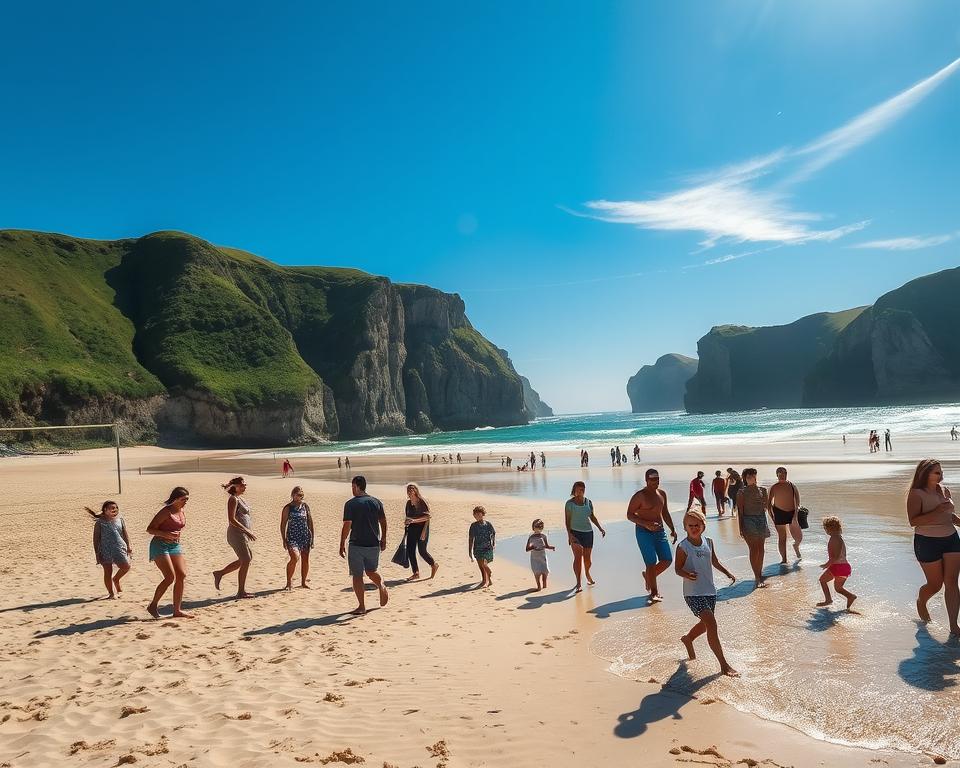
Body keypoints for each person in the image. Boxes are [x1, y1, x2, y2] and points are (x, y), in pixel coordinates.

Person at [675, 509, 738, 677]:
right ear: (685, 527)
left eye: (697, 525)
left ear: (703, 526)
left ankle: (688, 639)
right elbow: (677, 569)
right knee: (711, 623)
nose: (694, 528)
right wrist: (687, 574)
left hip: (709, 590)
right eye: (690, 526)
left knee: (706, 624)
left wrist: (727, 572)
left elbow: (714, 561)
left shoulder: (708, 542)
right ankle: (724, 665)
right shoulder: (683, 546)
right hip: (693, 593)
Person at [907, 459, 960, 635]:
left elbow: (949, 515)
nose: (941, 474)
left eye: (941, 471)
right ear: (925, 474)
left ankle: (954, 626)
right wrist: (936, 512)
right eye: (936, 472)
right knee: (935, 585)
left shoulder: (944, 490)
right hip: (927, 541)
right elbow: (913, 521)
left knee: (952, 582)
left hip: (951, 539)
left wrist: (958, 521)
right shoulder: (916, 493)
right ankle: (922, 601)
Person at [340, 475, 388, 615]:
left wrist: (342, 542)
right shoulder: (376, 502)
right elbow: (383, 521)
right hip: (374, 543)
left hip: (356, 544)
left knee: (357, 575)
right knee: (371, 571)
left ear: (356, 486)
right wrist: (383, 538)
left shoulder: (350, 504)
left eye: (352, 486)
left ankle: (361, 606)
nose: (352, 489)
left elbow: (347, 525)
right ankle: (381, 584)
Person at [627, 469, 677, 602]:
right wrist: (646, 523)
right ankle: (654, 592)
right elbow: (629, 515)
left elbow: (664, 512)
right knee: (650, 562)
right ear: (647, 480)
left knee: (667, 560)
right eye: (653, 479)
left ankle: (648, 576)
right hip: (643, 532)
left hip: (659, 531)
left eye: (657, 479)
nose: (656, 481)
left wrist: (672, 527)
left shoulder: (662, 494)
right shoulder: (640, 496)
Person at [146, 487, 192, 619]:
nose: (185, 502)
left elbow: (177, 527)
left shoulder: (182, 510)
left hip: (174, 545)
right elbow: (150, 529)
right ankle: (153, 605)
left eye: (187, 499)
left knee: (181, 575)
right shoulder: (166, 512)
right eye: (183, 499)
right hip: (159, 545)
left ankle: (177, 610)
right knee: (169, 577)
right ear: (175, 499)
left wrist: (174, 536)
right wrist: (166, 534)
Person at [213, 477, 257, 599]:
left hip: (242, 534)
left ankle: (220, 573)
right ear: (235, 486)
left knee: (246, 559)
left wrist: (247, 531)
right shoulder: (232, 499)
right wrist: (247, 531)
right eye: (242, 485)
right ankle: (241, 592)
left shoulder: (240, 498)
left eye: (245, 484)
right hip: (236, 534)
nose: (245, 487)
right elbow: (231, 519)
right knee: (246, 560)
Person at [565, 481, 607, 592]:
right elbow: (567, 521)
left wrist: (600, 528)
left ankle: (587, 573)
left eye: (583, 489)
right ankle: (578, 582)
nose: (581, 491)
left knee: (588, 560)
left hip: (588, 533)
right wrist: (569, 535)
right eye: (579, 489)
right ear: (574, 490)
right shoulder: (569, 504)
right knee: (578, 557)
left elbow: (592, 517)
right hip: (575, 533)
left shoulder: (588, 502)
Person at [87, 501, 132, 599]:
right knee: (108, 571)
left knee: (126, 566)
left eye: (116, 508)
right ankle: (111, 593)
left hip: (119, 548)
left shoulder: (120, 519)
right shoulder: (99, 523)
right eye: (111, 508)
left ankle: (116, 579)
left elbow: (125, 534)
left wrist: (128, 546)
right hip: (104, 549)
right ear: (105, 510)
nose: (114, 510)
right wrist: (97, 553)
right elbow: (96, 539)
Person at [737, 468, 771, 588]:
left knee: (761, 549)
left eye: (753, 475)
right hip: (748, 520)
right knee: (753, 549)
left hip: (761, 519)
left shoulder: (763, 490)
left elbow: (766, 507)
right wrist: (740, 527)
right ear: (745, 478)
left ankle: (759, 574)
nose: (751, 478)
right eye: (748, 476)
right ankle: (757, 577)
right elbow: (740, 512)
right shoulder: (741, 492)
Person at [817, 516, 857, 611]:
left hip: (838, 566)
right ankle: (850, 596)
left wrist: (827, 564)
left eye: (825, 528)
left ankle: (828, 600)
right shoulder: (839, 538)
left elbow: (835, 557)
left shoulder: (834, 538)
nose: (825, 531)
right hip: (844, 567)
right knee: (838, 588)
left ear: (829, 528)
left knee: (822, 580)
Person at [280, 486, 314, 590]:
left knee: (305, 559)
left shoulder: (305, 506)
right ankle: (288, 582)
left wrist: (312, 537)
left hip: (305, 536)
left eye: (300, 495)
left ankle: (303, 582)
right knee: (294, 557)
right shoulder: (288, 507)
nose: (299, 496)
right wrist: (283, 539)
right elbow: (283, 524)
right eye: (297, 494)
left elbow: (310, 522)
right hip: (292, 536)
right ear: (292, 494)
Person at [404, 483, 440, 581]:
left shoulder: (422, 501)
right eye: (408, 490)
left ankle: (433, 565)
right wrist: (407, 522)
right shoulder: (408, 503)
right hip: (411, 529)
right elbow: (408, 517)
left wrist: (422, 530)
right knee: (410, 551)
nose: (410, 491)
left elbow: (428, 517)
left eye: (412, 489)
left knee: (422, 551)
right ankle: (416, 573)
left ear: (416, 490)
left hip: (422, 530)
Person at [768, 466, 802, 563]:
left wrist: (796, 514)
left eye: (784, 473)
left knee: (798, 537)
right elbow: (768, 503)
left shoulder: (792, 485)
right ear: (777, 475)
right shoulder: (774, 487)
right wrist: (772, 516)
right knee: (782, 537)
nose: (782, 475)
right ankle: (784, 559)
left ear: (787, 474)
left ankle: (796, 546)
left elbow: (798, 501)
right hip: (779, 512)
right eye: (780, 473)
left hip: (792, 513)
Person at [468, 506, 496, 588]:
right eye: (475, 514)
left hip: (487, 548)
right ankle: (486, 580)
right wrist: (470, 551)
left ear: (483, 514)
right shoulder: (473, 525)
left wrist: (493, 543)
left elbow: (493, 533)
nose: (476, 516)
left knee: (484, 564)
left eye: (478, 514)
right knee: (481, 566)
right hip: (477, 548)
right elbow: (471, 538)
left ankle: (487, 578)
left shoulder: (488, 524)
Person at [526, 518, 555, 591]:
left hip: (542, 556)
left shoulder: (543, 536)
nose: (539, 528)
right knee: (537, 572)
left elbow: (546, 546)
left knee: (545, 571)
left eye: (540, 527)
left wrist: (551, 547)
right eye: (537, 527)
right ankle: (538, 586)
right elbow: (527, 549)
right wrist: (532, 547)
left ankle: (545, 587)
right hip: (535, 557)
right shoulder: (531, 537)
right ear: (533, 528)